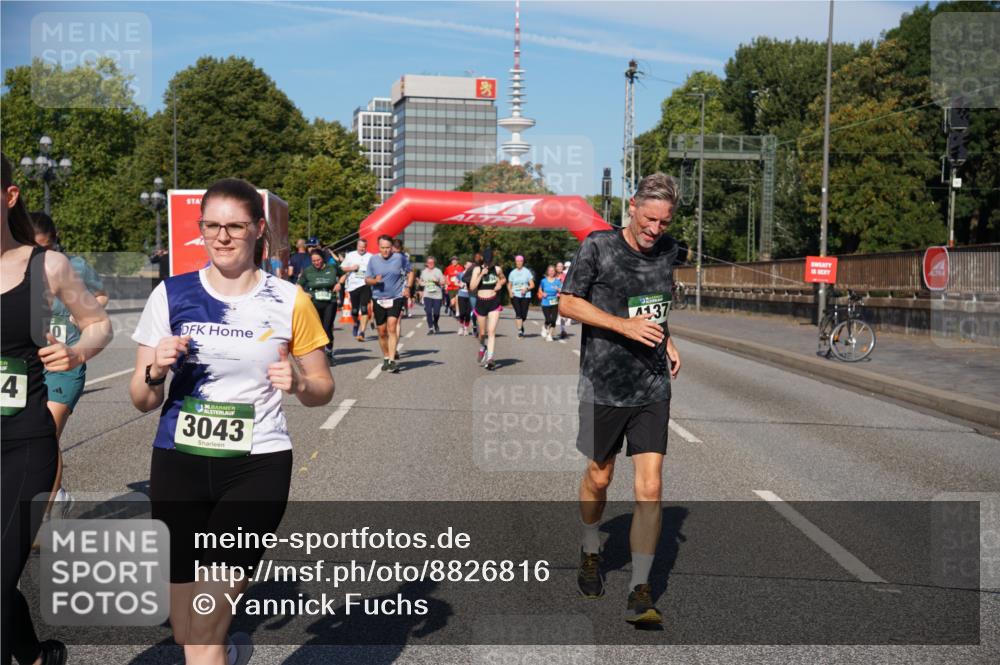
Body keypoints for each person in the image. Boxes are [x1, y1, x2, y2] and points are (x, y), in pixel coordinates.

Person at [129, 178, 334, 664]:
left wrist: (300, 383)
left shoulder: (289, 299)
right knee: (185, 630)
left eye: (235, 226)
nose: (222, 237)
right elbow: (141, 399)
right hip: (178, 463)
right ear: (200, 228)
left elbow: (324, 388)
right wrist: (155, 369)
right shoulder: (171, 295)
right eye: (212, 226)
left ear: (258, 229)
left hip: (255, 466)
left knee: (202, 631)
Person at [2, 153, 112, 665]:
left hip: (23, 443)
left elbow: (97, 323)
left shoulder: (46, 265)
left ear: (10, 196)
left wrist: (77, 352)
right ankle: (35, 654)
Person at [558, 173, 682, 625]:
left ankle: (640, 589)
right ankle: (592, 547)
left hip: (651, 383)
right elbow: (567, 303)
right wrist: (622, 326)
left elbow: (655, 306)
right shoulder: (598, 246)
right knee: (600, 475)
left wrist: (666, 339)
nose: (655, 229)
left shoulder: (668, 251)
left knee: (650, 486)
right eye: (650, 219)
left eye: (664, 222)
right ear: (632, 206)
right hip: (603, 383)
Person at [365, 235, 412, 373]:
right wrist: (375, 281)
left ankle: (392, 360)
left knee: (392, 327)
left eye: (388, 248)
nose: (385, 250)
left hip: (396, 297)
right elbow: (367, 280)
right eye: (382, 248)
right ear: (378, 247)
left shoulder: (400, 258)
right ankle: (386, 357)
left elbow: (410, 272)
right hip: (378, 298)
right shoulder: (373, 260)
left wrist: (407, 287)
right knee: (381, 332)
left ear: (392, 247)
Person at [298, 248, 341, 359]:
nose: (316, 263)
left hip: (330, 301)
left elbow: (343, 274)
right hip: (314, 303)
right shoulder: (308, 271)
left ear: (323, 259)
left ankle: (329, 350)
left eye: (318, 260)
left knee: (327, 328)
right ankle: (320, 353)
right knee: (317, 329)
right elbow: (298, 285)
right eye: (314, 261)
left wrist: (339, 284)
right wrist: (304, 294)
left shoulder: (332, 267)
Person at [470, 250, 506, 370]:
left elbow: (503, 279)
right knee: (482, 333)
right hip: (481, 302)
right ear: (483, 260)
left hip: (493, 302)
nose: (488, 263)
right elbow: (472, 287)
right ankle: (482, 347)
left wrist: (500, 284)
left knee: (491, 332)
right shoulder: (477, 269)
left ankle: (490, 358)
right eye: (486, 261)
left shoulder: (497, 269)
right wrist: (481, 274)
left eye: (489, 261)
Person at [339, 238, 372, 341]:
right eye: (360, 247)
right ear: (357, 246)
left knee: (364, 308)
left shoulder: (370, 256)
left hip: (365, 284)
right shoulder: (350, 255)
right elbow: (342, 268)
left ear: (366, 247)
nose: (361, 249)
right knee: (354, 310)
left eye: (363, 247)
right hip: (353, 285)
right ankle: (356, 323)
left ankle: (362, 332)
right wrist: (352, 268)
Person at [507, 255, 535, 339]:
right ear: (515, 262)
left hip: (526, 296)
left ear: (523, 262)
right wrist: (510, 292)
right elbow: (509, 284)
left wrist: (526, 289)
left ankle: (521, 325)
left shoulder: (527, 272)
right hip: (515, 295)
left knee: (524, 316)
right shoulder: (512, 273)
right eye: (517, 261)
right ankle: (520, 331)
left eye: (521, 261)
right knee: (518, 313)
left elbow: (532, 285)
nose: (519, 263)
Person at [420, 256, 445, 334]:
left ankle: (435, 323)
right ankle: (430, 328)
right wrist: (422, 283)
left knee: (436, 313)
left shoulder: (438, 271)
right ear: (427, 263)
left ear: (434, 263)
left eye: (432, 262)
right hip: (427, 295)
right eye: (429, 262)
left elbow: (443, 282)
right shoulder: (424, 272)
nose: (431, 264)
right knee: (428, 311)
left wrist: (437, 281)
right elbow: (421, 281)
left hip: (437, 295)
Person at [538, 265, 561, 341]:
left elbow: (562, 290)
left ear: (555, 272)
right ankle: (544, 327)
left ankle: (550, 335)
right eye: (550, 271)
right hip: (545, 302)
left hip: (554, 302)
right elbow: (540, 289)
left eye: (553, 271)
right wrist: (542, 293)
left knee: (553, 320)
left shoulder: (557, 281)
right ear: (547, 272)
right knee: (548, 319)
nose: (551, 272)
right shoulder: (543, 281)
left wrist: (557, 289)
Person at [454, 261, 474, 336]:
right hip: (462, 294)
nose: (469, 267)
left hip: (470, 295)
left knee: (468, 313)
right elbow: (455, 282)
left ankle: (466, 328)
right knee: (462, 313)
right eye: (468, 265)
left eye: (471, 265)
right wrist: (460, 284)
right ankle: (461, 327)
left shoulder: (473, 275)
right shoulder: (460, 274)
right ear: (464, 266)